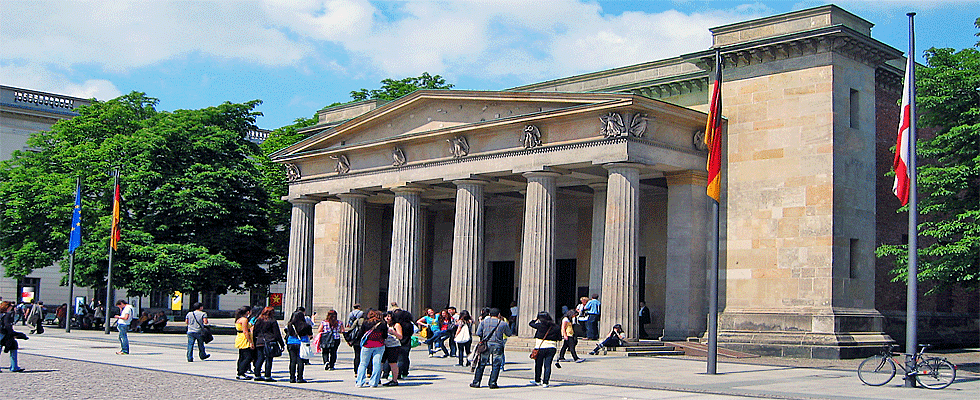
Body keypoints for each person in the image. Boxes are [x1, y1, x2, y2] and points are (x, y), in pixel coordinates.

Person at [469, 308, 512, 389]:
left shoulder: (484, 322)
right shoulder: (503, 323)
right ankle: (492, 382)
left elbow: (478, 333)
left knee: (481, 363)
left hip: (486, 344)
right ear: (499, 314)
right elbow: (509, 334)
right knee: (496, 364)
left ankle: (476, 382)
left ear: (489, 314)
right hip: (498, 344)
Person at [528, 311, 561, 388]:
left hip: (540, 347)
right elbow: (559, 338)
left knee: (538, 365)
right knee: (548, 365)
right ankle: (546, 382)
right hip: (551, 347)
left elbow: (531, 323)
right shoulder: (556, 326)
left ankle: (537, 380)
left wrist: (535, 319)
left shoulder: (540, 325)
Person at [251, 306, 284, 382]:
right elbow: (277, 333)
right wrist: (281, 344)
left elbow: (255, 332)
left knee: (260, 358)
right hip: (270, 341)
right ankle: (267, 376)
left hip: (259, 341)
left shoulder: (258, 320)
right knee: (269, 359)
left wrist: (254, 341)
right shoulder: (272, 321)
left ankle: (257, 374)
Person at [355, 310, 387, 388]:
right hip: (379, 345)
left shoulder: (366, 323)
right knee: (377, 363)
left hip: (367, 345)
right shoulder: (382, 324)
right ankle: (374, 382)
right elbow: (385, 335)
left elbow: (360, 334)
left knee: (363, 363)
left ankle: (360, 382)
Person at [285, 310, 312, 383]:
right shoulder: (306, 325)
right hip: (302, 343)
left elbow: (287, 332)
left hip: (291, 342)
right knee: (300, 361)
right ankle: (300, 377)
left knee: (292, 361)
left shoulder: (290, 325)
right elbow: (310, 335)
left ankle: (292, 378)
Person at [0, 301, 27, 372]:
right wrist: (13, 333)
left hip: (4, 333)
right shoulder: (7, 315)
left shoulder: (3, 314)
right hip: (3, 333)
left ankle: (14, 366)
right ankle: (14, 367)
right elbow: (7, 326)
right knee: (13, 347)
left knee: (13, 346)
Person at [380, 311, 404, 386]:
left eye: (389, 316)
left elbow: (400, 336)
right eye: (385, 316)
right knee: (380, 362)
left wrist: (393, 332)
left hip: (394, 346)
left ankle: (394, 380)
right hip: (384, 345)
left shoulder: (396, 325)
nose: (387, 318)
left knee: (393, 363)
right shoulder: (383, 324)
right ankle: (377, 378)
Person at [233, 306, 254, 380]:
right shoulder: (244, 320)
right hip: (244, 339)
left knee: (242, 356)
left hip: (240, 337)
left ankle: (240, 372)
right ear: (248, 312)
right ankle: (241, 372)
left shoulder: (239, 319)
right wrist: (250, 342)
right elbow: (245, 331)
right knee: (247, 357)